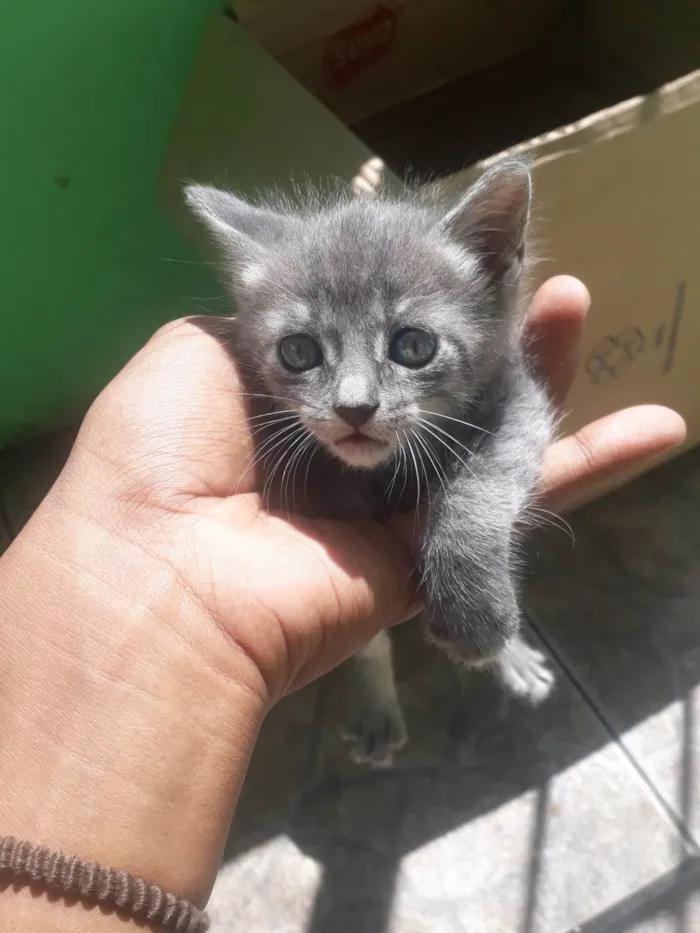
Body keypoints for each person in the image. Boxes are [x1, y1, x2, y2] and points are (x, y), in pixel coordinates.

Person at [0, 277, 685, 930]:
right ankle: (378, 688)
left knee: (478, 547)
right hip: (332, 523)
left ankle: (503, 641)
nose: (354, 397)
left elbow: (518, 408)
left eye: (409, 345)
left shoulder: (470, 332)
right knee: (354, 578)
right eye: (304, 353)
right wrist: (188, 610)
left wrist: (470, 525)